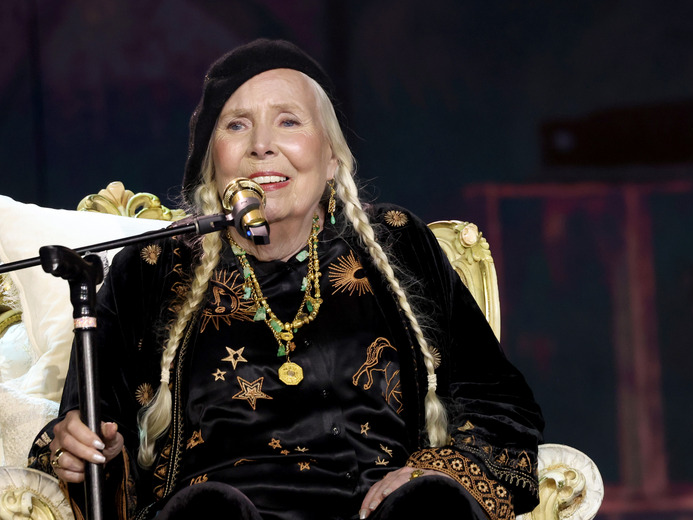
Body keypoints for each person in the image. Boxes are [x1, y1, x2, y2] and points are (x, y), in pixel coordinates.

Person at [28, 39, 544, 520]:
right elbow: (88, 428)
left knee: (431, 502)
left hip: (378, 512)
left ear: (331, 155)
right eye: (236, 126)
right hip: (220, 515)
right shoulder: (153, 266)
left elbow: (501, 406)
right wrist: (82, 446)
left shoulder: (396, 243)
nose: (262, 146)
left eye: (289, 122)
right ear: (212, 163)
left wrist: (433, 471)